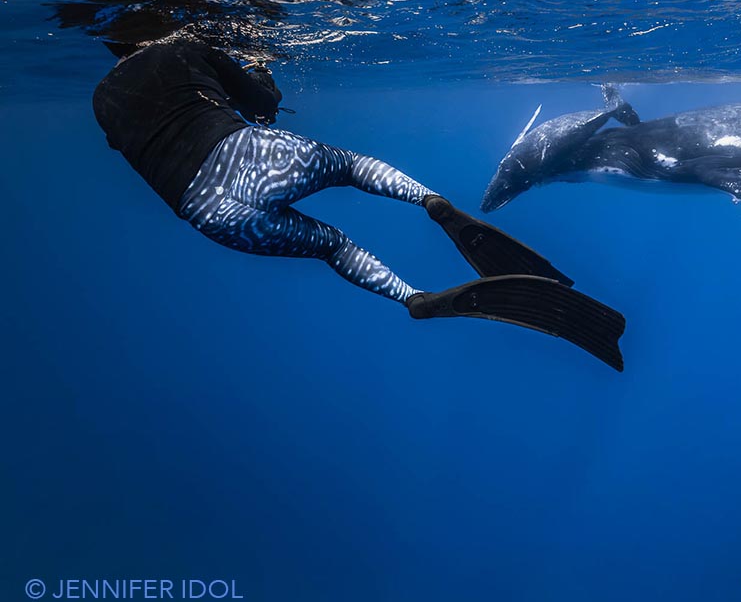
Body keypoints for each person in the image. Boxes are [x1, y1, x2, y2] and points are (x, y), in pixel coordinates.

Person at [92, 40, 624, 370]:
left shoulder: (101, 100)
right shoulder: (179, 47)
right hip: (246, 154)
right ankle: (431, 202)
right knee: (348, 167)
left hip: (206, 210)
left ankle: (414, 298)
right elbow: (263, 105)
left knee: (333, 247)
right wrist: (260, 72)